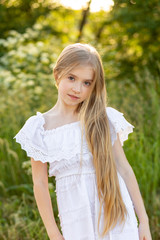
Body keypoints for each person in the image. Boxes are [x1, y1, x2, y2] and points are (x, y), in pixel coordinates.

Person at [13, 43, 152, 240]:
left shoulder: (103, 119)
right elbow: (40, 183)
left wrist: (144, 221)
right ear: (57, 74)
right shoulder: (40, 128)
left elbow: (124, 169)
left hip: (117, 216)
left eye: (87, 83)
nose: (77, 88)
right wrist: (53, 233)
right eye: (72, 78)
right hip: (76, 218)